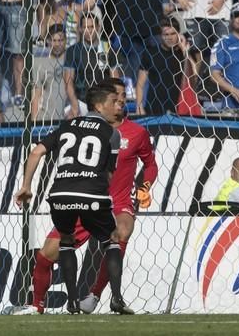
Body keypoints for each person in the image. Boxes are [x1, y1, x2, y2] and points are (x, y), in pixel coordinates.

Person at [14, 78, 158, 315]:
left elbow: (150, 165)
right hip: (85, 200)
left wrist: (145, 186)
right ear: (102, 103)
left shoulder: (137, 133)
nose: (121, 100)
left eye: (122, 96)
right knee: (46, 255)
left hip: (117, 201)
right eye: (116, 96)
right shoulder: (83, 128)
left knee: (122, 230)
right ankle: (36, 305)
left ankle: (97, 295)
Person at [64, 12, 122, 118]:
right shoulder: (73, 51)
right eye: (85, 27)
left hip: (103, 101)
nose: (89, 31)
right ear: (80, 29)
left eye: (92, 27)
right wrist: (74, 104)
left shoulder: (106, 47)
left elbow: (115, 79)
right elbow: (68, 81)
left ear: (98, 27)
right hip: (80, 101)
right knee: (70, 117)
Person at [136, 17, 195, 115]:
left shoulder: (184, 55)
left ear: (179, 34)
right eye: (166, 34)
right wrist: (139, 106)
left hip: (179, 108)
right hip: (154, 108)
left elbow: (194, 76)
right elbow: (140, 84)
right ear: (160, 36)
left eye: (173, 34)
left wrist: (184, 50)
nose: (170, 38)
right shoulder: (150, 53)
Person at [31, 24, 68, 123]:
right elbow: (36, 95)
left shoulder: (72, 60)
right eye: (54, 40)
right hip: (47, 119)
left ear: (65, 41)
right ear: (48, 41)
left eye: (60, 40)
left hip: (69, 117)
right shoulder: (39, 64)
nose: (57, 44)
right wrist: (34, 121)